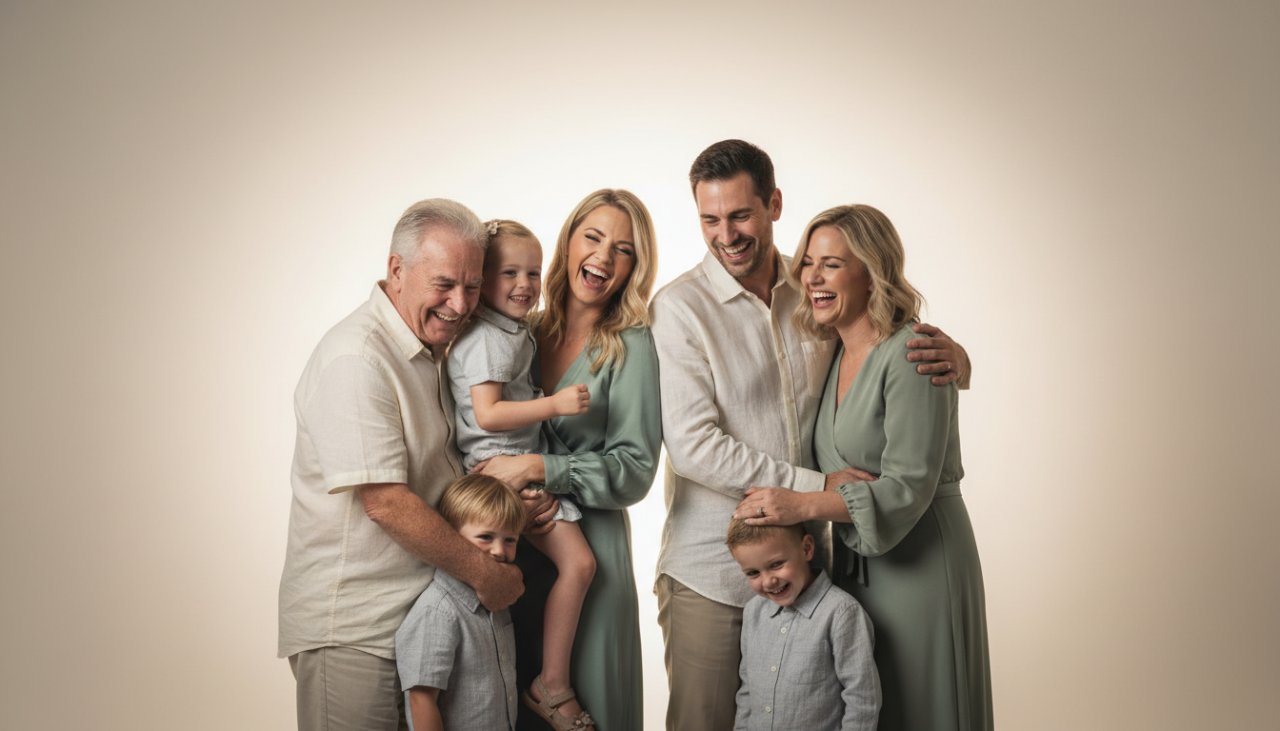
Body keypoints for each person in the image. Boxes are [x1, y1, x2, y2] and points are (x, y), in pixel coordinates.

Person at [650, 139, 972, 730]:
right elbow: (694, 446)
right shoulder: (679, 308)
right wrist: (814, 488)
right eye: (709, 219)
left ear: (773, 204)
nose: (727, 235)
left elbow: (885, 351)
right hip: (713, 570)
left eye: (740, 215)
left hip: (813, 569)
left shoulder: (814, 295)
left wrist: (956, 361)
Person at [734, 204, 993, 730]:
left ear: (872, 272)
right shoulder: (833, 351)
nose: (812, 277)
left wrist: (803, 504)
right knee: (868, 707)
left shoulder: (914, 352)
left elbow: (908, 485)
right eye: (808, 262)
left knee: (923, 705)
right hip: (857, 564)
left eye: (831, 264)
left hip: (922, 560)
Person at [278, 198, 524, 731]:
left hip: (417, 621)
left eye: (473, 286)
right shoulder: (357, 358)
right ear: (396, 270)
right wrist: (487, 575)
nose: (460, 304)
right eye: (444, 284)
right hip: (355, 630)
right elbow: (386, 503)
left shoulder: (431, 351)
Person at [474, 189, 662, 731]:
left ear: (635, 266)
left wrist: (540, 469)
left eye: (623, 250)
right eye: (593, 238)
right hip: (515, 544)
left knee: (588, 707)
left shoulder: (630, 345)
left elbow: (635, 471)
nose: (603, 257)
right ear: (568, 242)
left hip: (589, 555)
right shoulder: (523, 330)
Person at [446, 219, 597, 729]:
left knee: (546, 572)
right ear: (482, 279)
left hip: (515, 463)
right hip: (501, 469)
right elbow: (488, 414)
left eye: (533, 272)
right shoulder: (489, 339)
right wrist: (554, 404)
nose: (525, 284)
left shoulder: (510, 330)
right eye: (509, 273)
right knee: (578, 565)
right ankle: (550, 684)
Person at [395, 474, 525, 731]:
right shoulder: (437, 611)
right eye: (485, 537)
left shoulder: (498, 603)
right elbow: (421, 700)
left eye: (510, 540)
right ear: (452, 537)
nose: (499, 551)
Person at [726, 519, 879, 731]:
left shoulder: (842, 613)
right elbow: (746, 691)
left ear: (806, 549)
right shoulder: (753, 612)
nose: (768, 581)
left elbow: (862, 700)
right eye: (753, 573)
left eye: (776, 564)